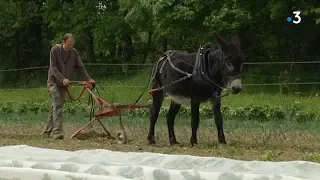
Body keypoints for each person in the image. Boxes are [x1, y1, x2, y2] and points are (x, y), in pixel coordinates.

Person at [42, 33, 95, 139]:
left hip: (64, 83)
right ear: (64, 42)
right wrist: (62, 79)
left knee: (57, 106)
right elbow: (54, 68)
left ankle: (46, 132)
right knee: (57, 103)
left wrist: (88, 79)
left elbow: (80, 67)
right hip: (53, 82)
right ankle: (57, 132)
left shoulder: (74, 53)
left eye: (72, 45)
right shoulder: (55, 50)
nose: (71, 47)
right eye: (69, 45)